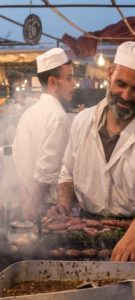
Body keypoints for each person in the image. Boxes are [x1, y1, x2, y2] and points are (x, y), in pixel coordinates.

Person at [50, 41, 135, 261]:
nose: (126, 96)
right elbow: (67, 173)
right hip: (86, 230)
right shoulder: (82, 121)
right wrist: (62, 205)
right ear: (109, 74)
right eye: (121, 84)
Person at [13, 48, 74, 220]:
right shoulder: (58, 117)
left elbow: (17, 159)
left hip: (30, 201)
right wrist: (33, 205)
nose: (74, 84)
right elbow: (47, 171)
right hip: (47, 209)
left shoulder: (28, 113)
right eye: (69, 78)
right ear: (53, 82)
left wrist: (27, 198)